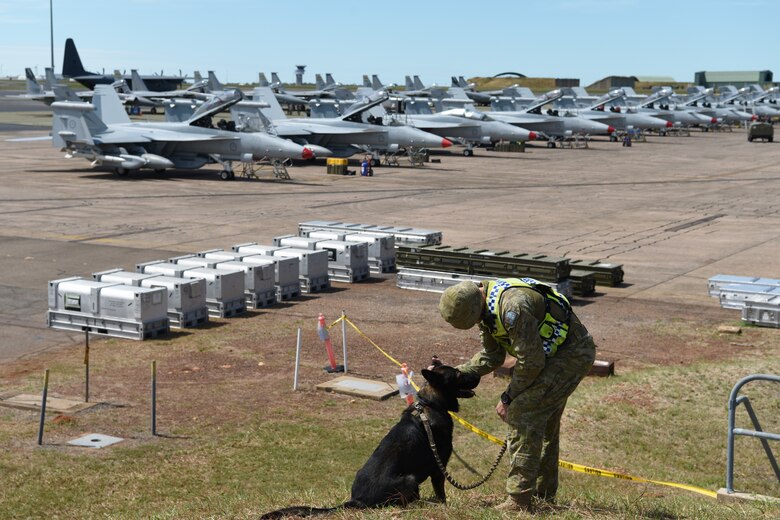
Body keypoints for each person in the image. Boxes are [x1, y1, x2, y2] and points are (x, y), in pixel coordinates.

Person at [438, 278, 596, 512]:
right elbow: (493, 355)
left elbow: (531, 362)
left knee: (523, 412)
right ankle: (543, 495)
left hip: (571, 355)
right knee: (543, 423)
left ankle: (518, 500)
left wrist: (508, 397)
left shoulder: (513, 308)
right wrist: (453, 374)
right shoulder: (484, 304)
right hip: (549, 355)